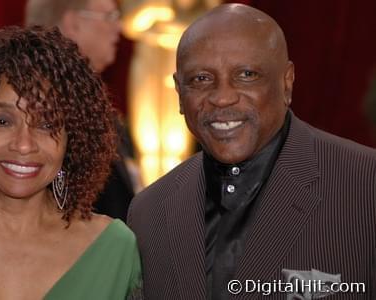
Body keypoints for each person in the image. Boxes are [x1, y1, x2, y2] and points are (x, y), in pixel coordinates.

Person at [128, 3, 376, 300]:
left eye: (246, 74)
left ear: (287, 82)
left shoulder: (365, 185)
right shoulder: (149, 212)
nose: (222, 97)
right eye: (201, 79)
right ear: (179, 92)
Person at [0, 26, 141, 299]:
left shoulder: (112, 250)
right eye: (2, 121)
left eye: (47, 123)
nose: (23, 144)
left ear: (71, 138)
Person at [26, 0, 141, 222]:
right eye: (110, 17)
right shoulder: (39, 110)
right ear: (73, 23)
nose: (119, 28)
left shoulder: (94, 105)